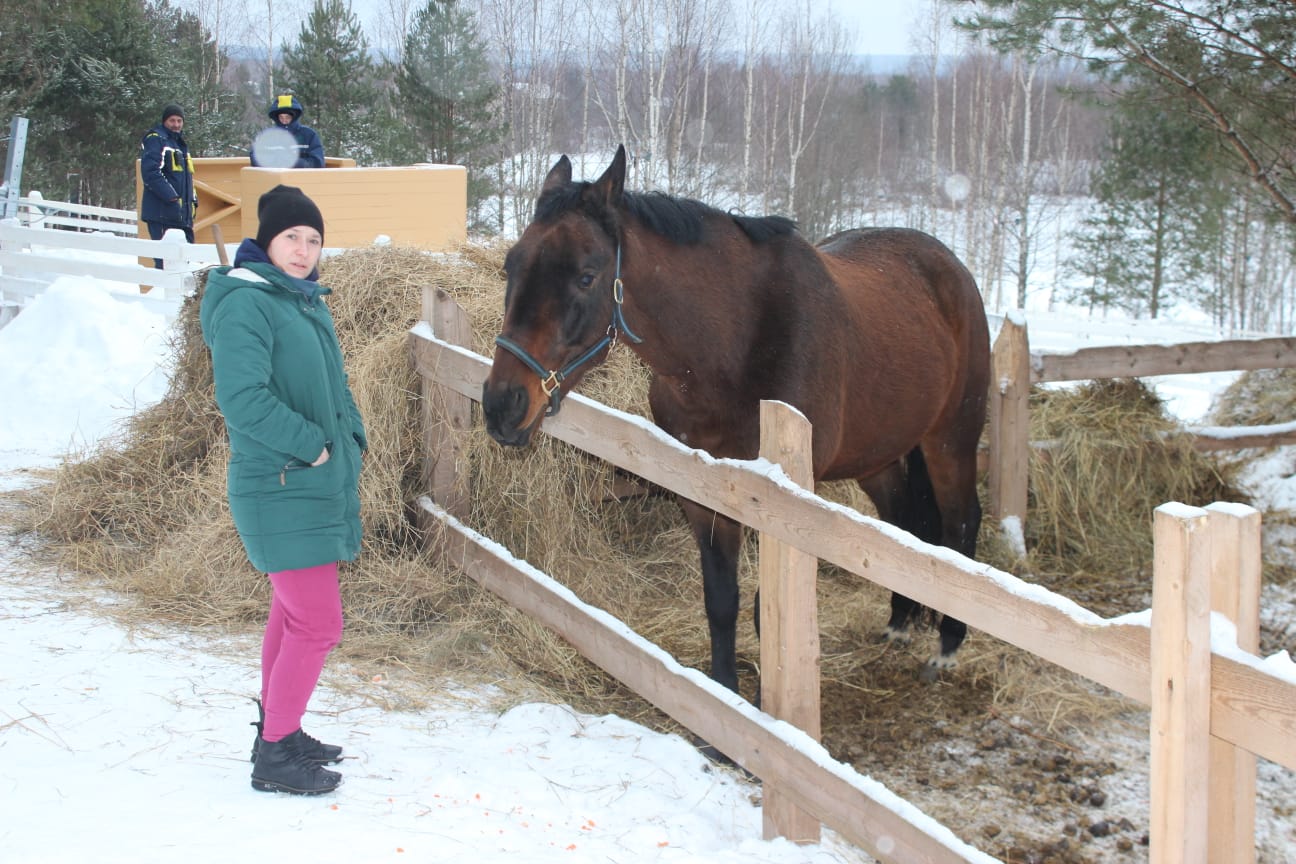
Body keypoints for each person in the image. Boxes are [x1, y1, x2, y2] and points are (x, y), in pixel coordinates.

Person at [198, 184, 366, 796]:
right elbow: (241, 399)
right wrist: (312, 444)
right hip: (279, 482)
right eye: (292, 236)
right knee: (318, 624)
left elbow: (334, 383)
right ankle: (275, 757)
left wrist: (351, 434)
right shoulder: (249, 302)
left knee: (291, 613)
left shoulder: (301, 301)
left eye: (313, 239)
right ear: (266, 240)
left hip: (308, 480)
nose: (303, 249)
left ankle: (280, 728)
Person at [139, 103, 197, 268]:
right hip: (162, 214)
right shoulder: (157, 139)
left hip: (181, 216)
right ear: (164, 121)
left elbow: (186, 179)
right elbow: (150, 173)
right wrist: (172, 198)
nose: (176, 124)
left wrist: (192, 201)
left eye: (179, 120)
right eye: (172, 120)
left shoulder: (180, 145)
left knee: (185, 265)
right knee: (165, 265)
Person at [251, 94, 325, 168]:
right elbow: (255, 158)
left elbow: (318, 161)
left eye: (287, 117)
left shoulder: (308, 135)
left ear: (294, 117)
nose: (284, 120)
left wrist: (295, 163)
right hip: (274, 178)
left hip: (301, 178)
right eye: (281, 117)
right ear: (276, 117)